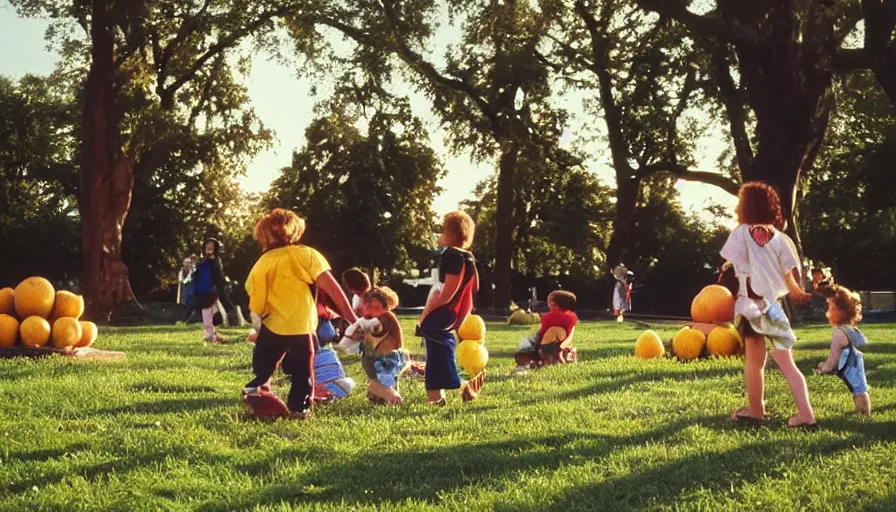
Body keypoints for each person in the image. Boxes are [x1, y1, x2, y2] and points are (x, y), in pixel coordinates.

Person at [242, 208, 358, 418]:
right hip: (301, 326)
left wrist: (258, 321)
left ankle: (257, 390)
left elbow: (255, 297)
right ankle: (299, 408)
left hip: (273, 325)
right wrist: (352, 318)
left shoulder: (263, 262)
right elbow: (332, 289)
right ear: (295, 230)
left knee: (264, 364)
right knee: (303, 371)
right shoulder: (307, 255)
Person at [720, 181, 816, 428]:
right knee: (788, 364)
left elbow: (740, 265)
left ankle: (756, 411)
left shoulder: (740, 233)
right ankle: (806, 415)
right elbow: (788, 275)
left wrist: (728, 268)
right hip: (776, 308)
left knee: (754, 363)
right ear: (772, 207)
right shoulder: (783, 239)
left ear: (743, 207)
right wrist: (796, 292)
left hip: (751, 307)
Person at [417, 211, 480, 405]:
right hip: (455, 312)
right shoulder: (468, 257)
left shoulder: (451, 256)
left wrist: (424, 315)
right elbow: (475, 286)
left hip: (442, 312)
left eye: (443, 229)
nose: (440, 234)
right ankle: (448, 392)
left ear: (452, 233)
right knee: (441, 352)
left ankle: (439, 396)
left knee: (437, 355)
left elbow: (446, 295)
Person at [347, 287, 410, 405]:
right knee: (387, 379)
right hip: (390, 356)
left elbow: (374, 334)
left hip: (386, 357)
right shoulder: (386, 316)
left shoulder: (384, 317)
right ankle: (378, 395)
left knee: (383, 380)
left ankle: (386, 396)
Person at [816, 284, 871, 416]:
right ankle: (864, 414)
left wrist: (824, 368)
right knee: (859, 388)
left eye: (830, 306)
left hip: (851, 366)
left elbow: (833, 361)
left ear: (839, 311)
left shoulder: (839, 334)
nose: (828, 310)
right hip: (854, 363)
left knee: (858, 390)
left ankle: (864, 415)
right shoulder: (848, 329)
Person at [514, 290, 579, 368]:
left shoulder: (547, 316)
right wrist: (563, 346)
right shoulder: (572, 316)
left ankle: (540, 360)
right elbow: (570, 335)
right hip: (562, 343)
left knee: (526, 344)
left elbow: (542, 332)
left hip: (545, 345)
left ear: (552, 303)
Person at [194, 239, 232, 343]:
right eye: (207, 245)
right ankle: (213, 336)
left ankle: (209, 336)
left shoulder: (216, 261)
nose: (209, 247)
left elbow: (219, 277)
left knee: (208, 313)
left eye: (212, 245)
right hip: (200, 292)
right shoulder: (201, 262)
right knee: (206, 314)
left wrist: (222, 287)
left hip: (211, 292)